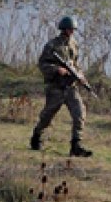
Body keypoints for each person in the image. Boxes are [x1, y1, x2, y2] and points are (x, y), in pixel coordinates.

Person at [30, 16, 92, 157]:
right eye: (70, 29)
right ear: (63, 29)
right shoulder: (52, 45)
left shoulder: (74, 45)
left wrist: (81, 76)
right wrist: (56, 69)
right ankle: (37, 136)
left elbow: (75, 64)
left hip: (71, 87)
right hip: (56, 87)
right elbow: (42, 64)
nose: (72, 32)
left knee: (80, 114)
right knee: (47, 116)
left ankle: (76, 145)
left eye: (73, 29)